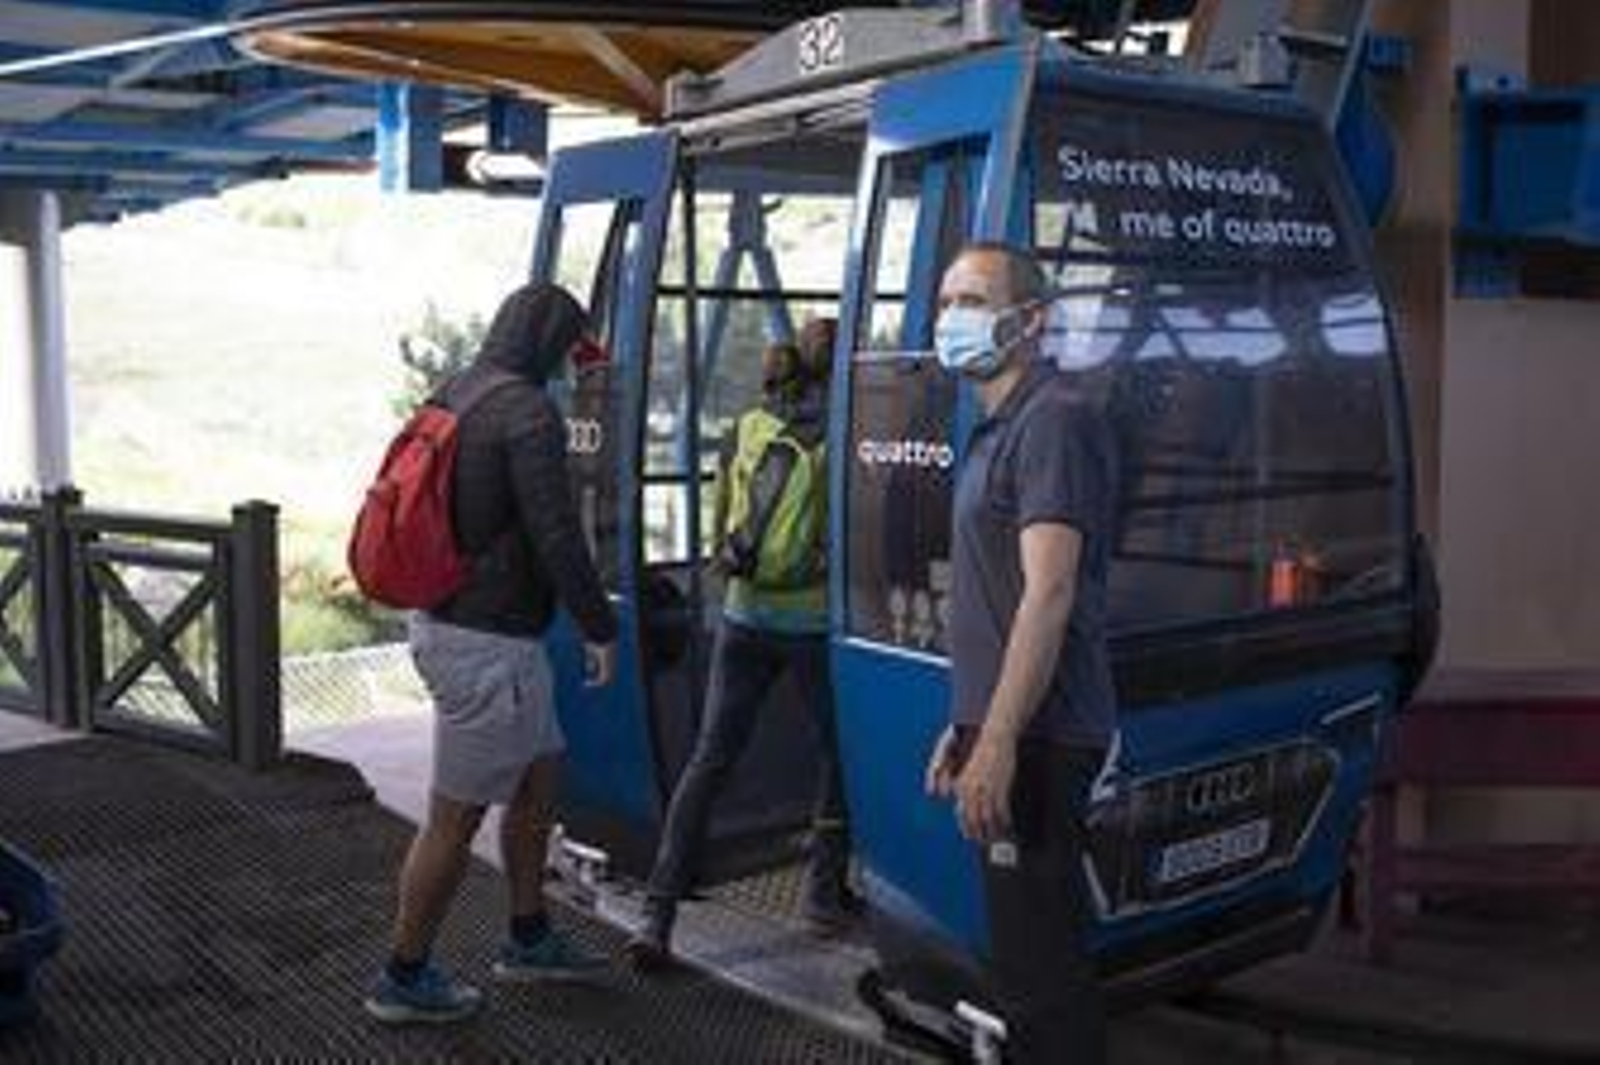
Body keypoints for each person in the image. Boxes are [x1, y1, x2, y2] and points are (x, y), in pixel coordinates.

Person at [365, 282, 619, 1025]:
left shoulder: (460, 391)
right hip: (486, 646)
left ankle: (528, 936)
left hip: (469, 629)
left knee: (541, 781)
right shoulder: (527, 412)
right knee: (455, 816)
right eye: (572, 352)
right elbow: (556, 533)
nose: (574, 368)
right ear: (549, 342)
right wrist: (600, 626)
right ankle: (401, 974)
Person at [923, 244, 1117, 1063]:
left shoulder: (1054, 419)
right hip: (1006, 722)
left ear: (1030, 320)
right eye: (945, 301)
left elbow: (1049, 593)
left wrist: (998, 739)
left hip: (1043, 734)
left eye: (971, 300)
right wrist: (967, 719)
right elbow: (997, 598)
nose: (950, 318)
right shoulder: (999, 424)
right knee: (1027, 956)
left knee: (1043, 972)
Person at [626, 319, 855, 968]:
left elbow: (723, 521)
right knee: (839, 754)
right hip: (811, 625)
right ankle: (822, 893)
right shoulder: (838, 437)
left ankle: (658, 912)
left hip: (743, 617)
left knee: (710, 758)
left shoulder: (747, 428)